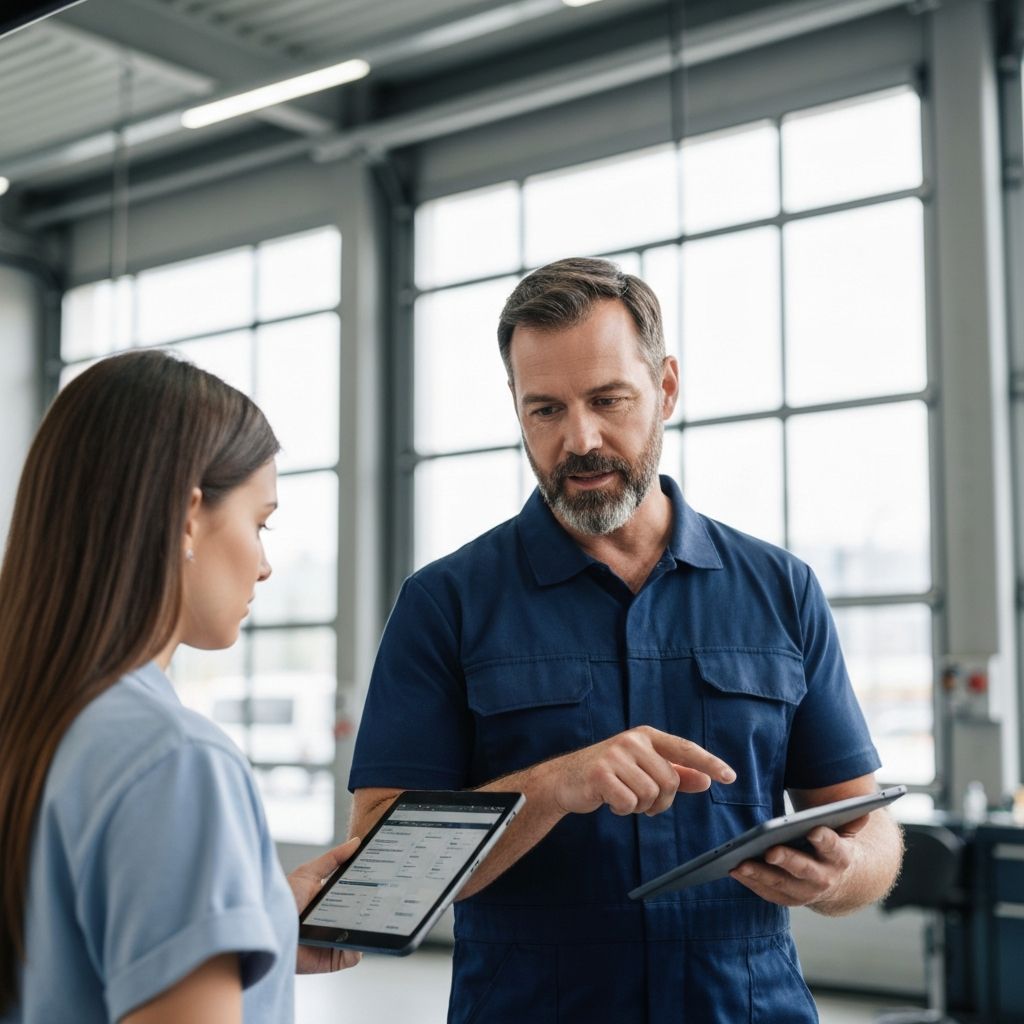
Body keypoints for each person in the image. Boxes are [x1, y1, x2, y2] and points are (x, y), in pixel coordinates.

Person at [349, 257, 903, 1023]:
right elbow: (381, 865)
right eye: (544, 410)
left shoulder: (780, 589)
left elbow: (866, 826)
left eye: (609, 400)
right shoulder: (445, 604)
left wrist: (842, 874)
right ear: (515, 406)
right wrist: (552, 788)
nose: (580, 440)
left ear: (666, 387)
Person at [0, 350, 361, 1024]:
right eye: (261, 523)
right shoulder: (174, 760)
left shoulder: (34, 720)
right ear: (188, 514)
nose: (265, 565)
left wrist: (252, 918)